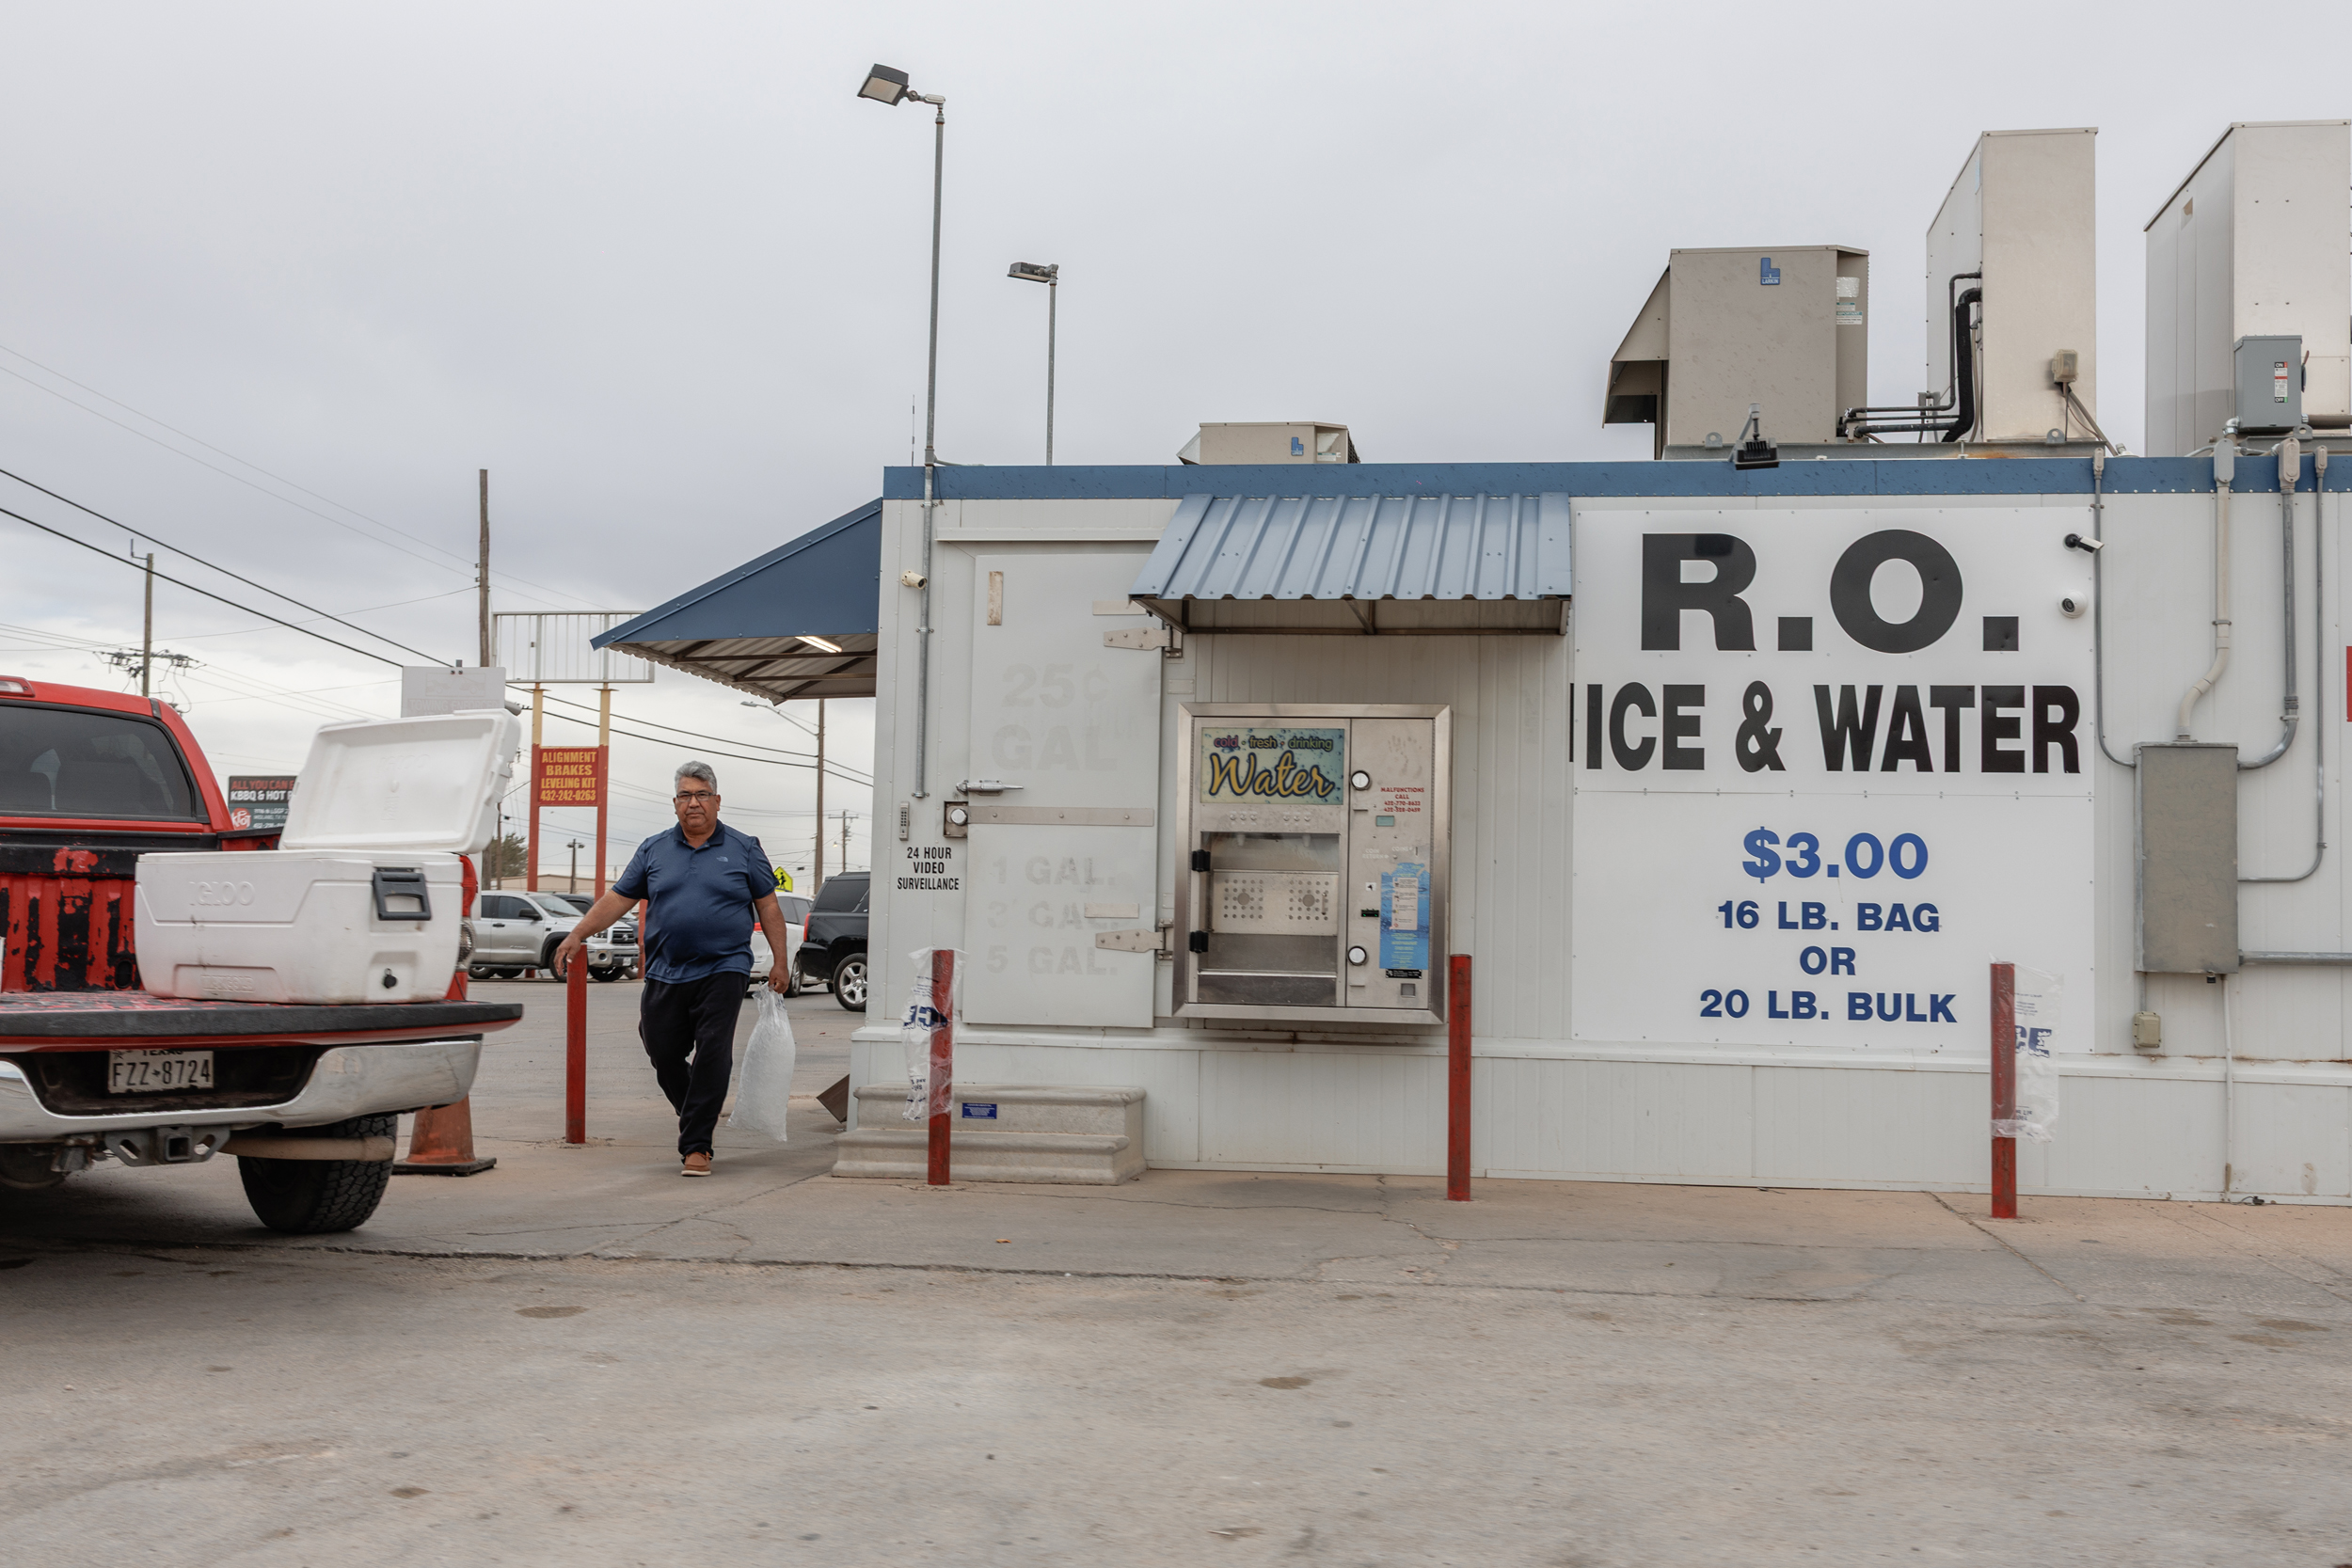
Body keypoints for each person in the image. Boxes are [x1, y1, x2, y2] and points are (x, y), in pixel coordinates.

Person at [556, 761, 793, 1177]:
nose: (693, 803)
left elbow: (768, 905)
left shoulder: (744, 847)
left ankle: (697, 1145)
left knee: (713, 1050)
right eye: (685, 795)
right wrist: (578, 933)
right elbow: (618, 899)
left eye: (701, 795)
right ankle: (696, 1111)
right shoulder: (654, 849)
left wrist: (780, 959)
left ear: (717, 801)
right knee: (661, 1049)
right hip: (666, 970)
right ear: (674, 803)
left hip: (724, 967)